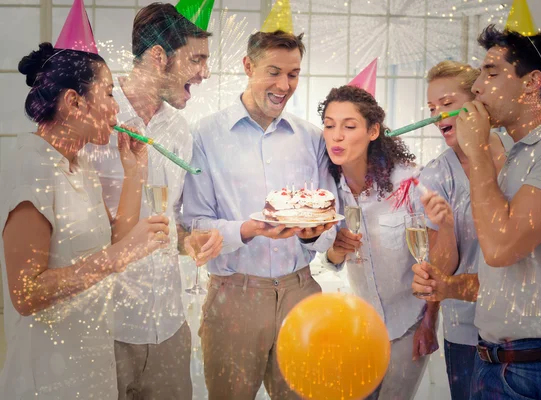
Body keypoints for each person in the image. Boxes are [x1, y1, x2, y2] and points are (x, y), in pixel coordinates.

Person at [419, 25, 541, 399]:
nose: (479, 87)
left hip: (538, 369)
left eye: (491, 72)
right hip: (495, 360)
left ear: (532, 83)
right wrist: (446, 286)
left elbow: (501, 249)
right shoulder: (519, 155)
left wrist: (478, 152)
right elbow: (504, 280)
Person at [0, 43, 169, 399]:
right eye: (108, 93)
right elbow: (25, 294)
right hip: (47, 379)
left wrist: (135, 172)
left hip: (89, 366)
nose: (116, 107)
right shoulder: (32, 169)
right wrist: (117, 258)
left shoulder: (81, 164)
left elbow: (115, 242)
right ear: (74, 102)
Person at [182, 30, 337, 399]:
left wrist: (310, 233)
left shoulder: (312, 138)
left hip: (301, 291)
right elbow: (195, 223)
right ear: (248, 66)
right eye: (274, 71)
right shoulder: (205, 136)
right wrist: (249, 230)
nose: (284, 85)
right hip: (234, 295)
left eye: (294, 74)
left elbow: (330, 219)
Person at [82, 3, 222, 399]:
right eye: (196, 59)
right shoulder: (96, 121)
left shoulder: (180, 132)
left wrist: (189, 240)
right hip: (106, 328)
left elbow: (172, 220)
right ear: (159, 56)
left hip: (169, 327)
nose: (205, 72)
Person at [313, 84, 435, 400]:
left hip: (408, 324)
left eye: (349, 126)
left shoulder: (406, 183)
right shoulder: (327, 189)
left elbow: (435, 257)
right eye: (329, 125)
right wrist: (336, 251)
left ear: (373, 131)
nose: (336, 136)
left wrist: (430, 323)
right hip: (361, 328)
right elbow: (330, 262)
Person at [409, 60, 512, 400]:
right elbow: (440, 271)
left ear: (477, 101)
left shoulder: (519, 156)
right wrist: (446, 226)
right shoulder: (436, 175)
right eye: (432, 107)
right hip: (467, 331)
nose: (438, 114)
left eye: (448, 103)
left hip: (522, 324)